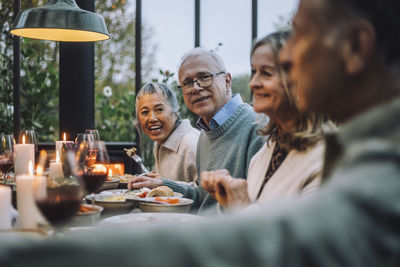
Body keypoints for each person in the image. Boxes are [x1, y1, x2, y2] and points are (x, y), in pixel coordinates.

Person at [2, 0, 400, 266]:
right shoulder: (333, 149)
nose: (289, 58)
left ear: (355, 46)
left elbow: (270, 240)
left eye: (301, 35)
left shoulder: (375, 170)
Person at [202, 30, 333, 209]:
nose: (253, 83)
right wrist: (228, 202)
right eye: (254, 72)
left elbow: (308, 236)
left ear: (301, 81)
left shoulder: (327, 160)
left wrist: (241, 207)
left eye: (266, 73)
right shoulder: (266, 152)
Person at [128, 48, 264, 212]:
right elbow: (204, 196)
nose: (195, 88)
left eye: (205, 77)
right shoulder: (206, 134)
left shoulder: (257, 126)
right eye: (187, 83)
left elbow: (260, 207)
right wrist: (163, 184)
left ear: (227, 81)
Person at [135, 82, 200, 184]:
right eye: (145, 112)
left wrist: (165, 183)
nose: (152, 118)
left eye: (159, 109)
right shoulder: (158, 144)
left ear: (175, 114)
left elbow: (208, 194)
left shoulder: (191, 144)